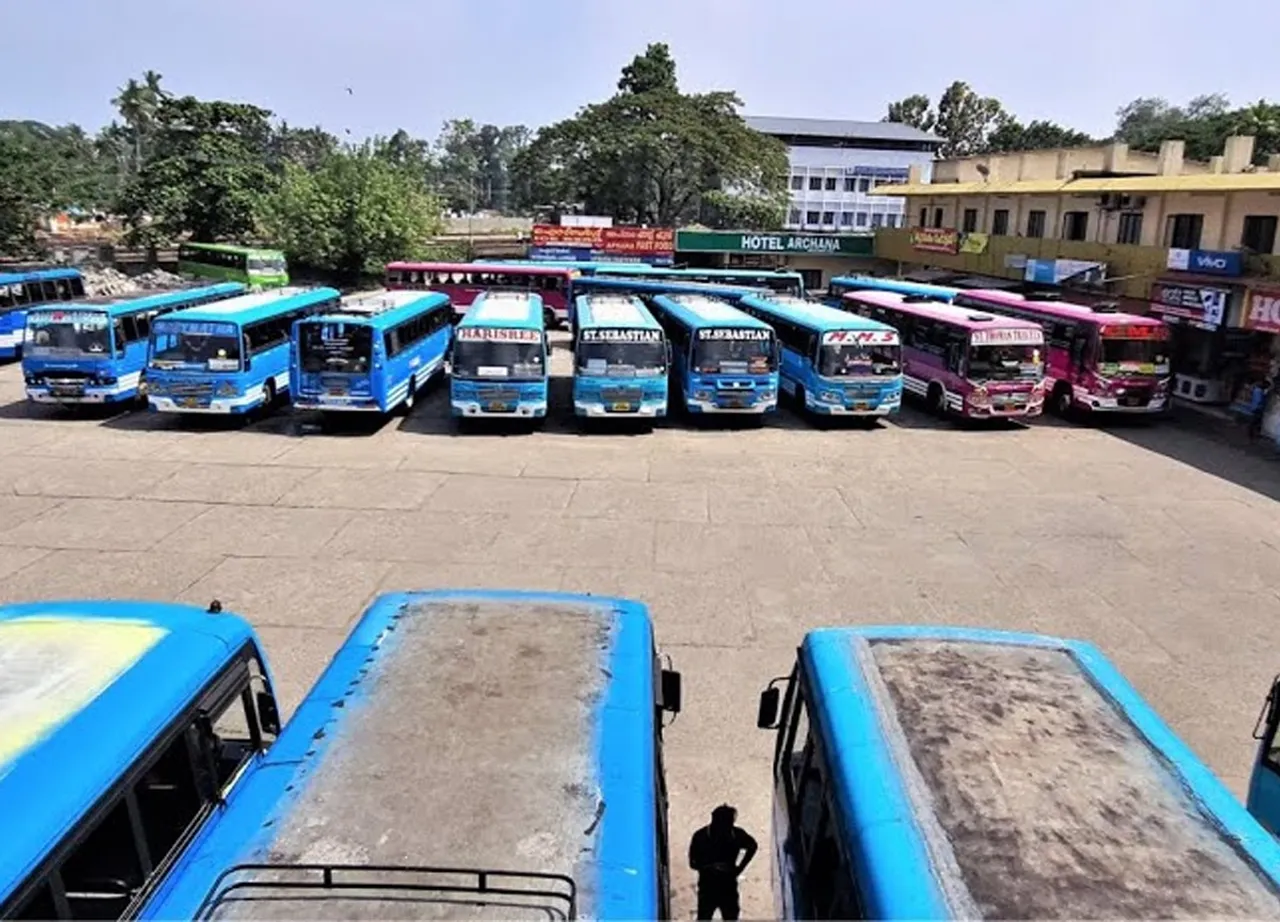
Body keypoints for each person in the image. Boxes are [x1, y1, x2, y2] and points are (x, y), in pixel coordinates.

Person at [688, 804, 757, 921]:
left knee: (730, 916)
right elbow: (693, 863)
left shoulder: (736, 834)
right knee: (704, 917)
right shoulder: (700, 837)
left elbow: (753, 846)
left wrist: (740, 868)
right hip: (708, 887)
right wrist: (711, 867)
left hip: (728, 886)